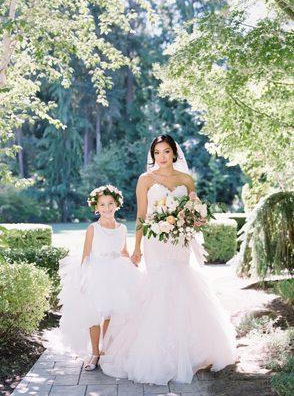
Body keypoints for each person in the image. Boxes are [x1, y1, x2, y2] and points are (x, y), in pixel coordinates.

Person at [100, 135, 237, 385]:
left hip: (179, 241)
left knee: (183, 283)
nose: (161, 157)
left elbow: (195, 212)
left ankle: (191, 350)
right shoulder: (146, 180)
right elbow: (141, 216)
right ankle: (158, 351)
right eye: (157, 152)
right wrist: (137, 248)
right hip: (156, 243)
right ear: (153, 155)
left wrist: (196, 219)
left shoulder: (186, 179)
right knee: (160, 286)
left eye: (166, 151)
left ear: (174, 153)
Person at [56, 185, 141, 371]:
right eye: (102, 204)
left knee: (111, 312)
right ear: (96, 207)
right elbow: (86, 255)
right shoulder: (93, 228)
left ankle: (105, 349)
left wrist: (132, 263)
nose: (107, 208)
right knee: (93, 313)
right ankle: (94, 353)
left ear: (117, 204)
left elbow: (123, 250)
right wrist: (82, 277)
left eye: (110, 203)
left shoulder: (122, 228)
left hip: (117, 272)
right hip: (96, 272)